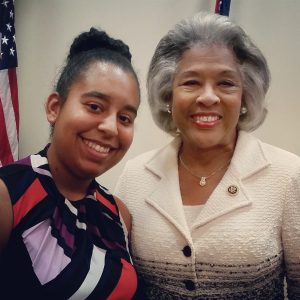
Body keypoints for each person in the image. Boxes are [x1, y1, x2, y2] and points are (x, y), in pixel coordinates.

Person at [114, 12, 300, 299]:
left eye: (226, 83)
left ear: (245, 97)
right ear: (168, 95)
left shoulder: (288, 176)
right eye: (191, 82)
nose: (208, 97)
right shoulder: (134, 176)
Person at [0, 27, 141, 299]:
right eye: (95, 106)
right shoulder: (8, 197)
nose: (111, 128)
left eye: (125, 118)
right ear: (55, 107)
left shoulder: (119, 214)